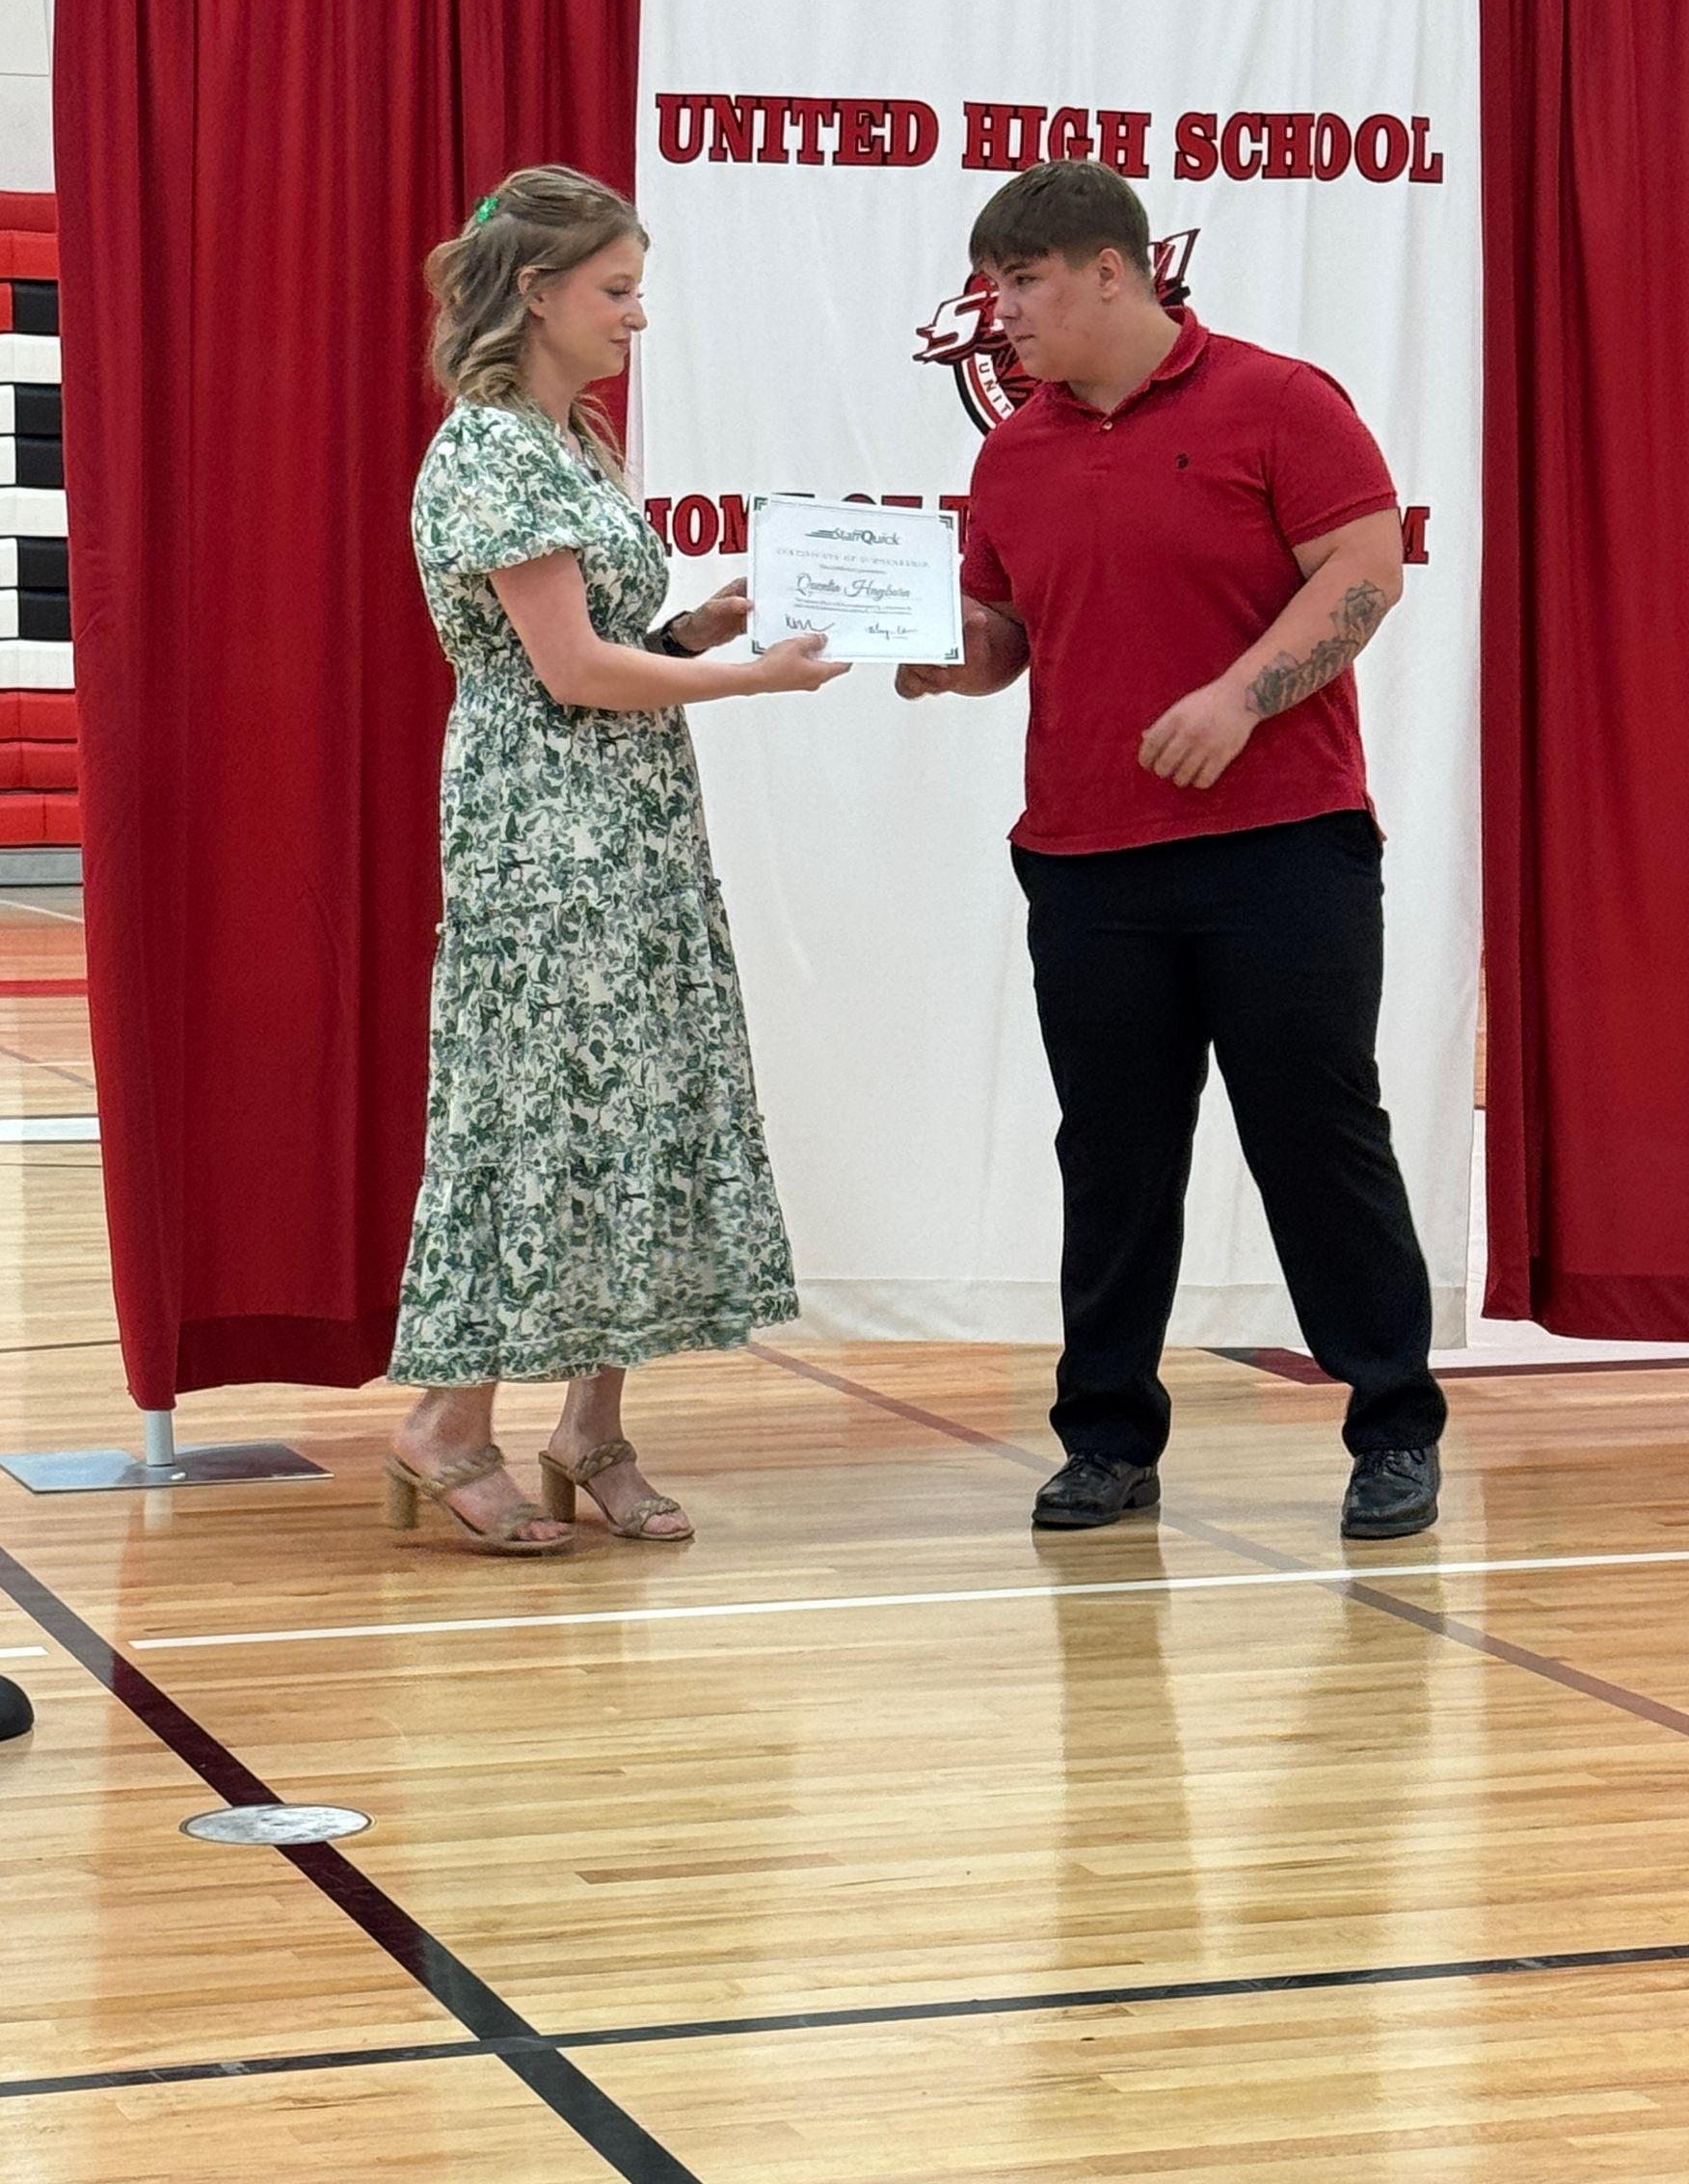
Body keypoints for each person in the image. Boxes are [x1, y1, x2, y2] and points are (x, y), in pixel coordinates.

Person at [898, 159, 1445, 1540]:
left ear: (1111, 271)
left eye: (1021, 284)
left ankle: (1391, 1427)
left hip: (1283, 845)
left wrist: (1238, 694)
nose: (1001, 313)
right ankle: (1107, 1441)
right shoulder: (1011, 448)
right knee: (1116, 1155)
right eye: (992, 287)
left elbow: (1366, 570)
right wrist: (933, 663)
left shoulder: (1279, 402)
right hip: (1086, 857)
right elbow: (1002, 638)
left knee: (1316, 1138)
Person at [386, 165, 845, 1556]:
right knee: (532, 1113)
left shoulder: (571, 438)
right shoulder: (492, 450)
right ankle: (446, 1425)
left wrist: (701, 628)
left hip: (628, 820)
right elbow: (572, 669)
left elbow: (616, 642)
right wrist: (754, 681)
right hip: (547, 831)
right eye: (617, 290)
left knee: (631, 1107)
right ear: (537, 293)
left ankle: (592, 1423)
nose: (637, 316)